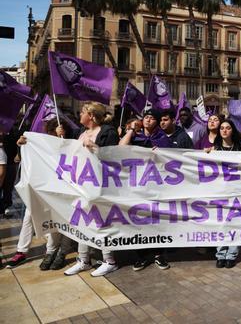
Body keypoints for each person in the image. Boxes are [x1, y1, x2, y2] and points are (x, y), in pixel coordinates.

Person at [64, 102, 121, 277]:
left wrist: (95, 148)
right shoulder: (81, 133)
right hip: (82, 185)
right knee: (82, 221)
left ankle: (109, 260)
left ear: (91, 115)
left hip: (101, 185)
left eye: (82, 112)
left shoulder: (107, 132)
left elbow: (114, 156)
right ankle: (83, 260)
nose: (80, 114)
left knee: (101, 220)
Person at [5, 119, 69, 269]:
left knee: (53, 220)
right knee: (28, 217)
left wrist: (62, 140)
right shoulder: (38, 142)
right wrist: (21, 146)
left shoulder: (64, 141)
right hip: (37, 188)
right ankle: (21, 251)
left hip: (55, 189)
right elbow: (18, 159)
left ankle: (51, 252)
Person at [120, 108, 173, 271]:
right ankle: (141, 256)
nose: (148, 120)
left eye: (151, 118)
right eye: (146, 117)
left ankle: (158, 254)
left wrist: (162, 154)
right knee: (139, 219)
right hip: (136, 184)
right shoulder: (135, 136)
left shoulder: (162, 138)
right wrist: (130, 130)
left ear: (157, 122)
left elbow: (170, 159)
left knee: (157, 220)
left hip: (155, 185)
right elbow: (121, 147)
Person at [214, 120, 241, 269]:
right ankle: (220, 254)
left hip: (236, 191)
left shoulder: (239, 148)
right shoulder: (214, 148)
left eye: (228, 128)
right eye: (222, 128)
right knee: (220, 224)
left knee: (234, 224)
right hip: (219, 192)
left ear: (232, 130)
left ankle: (232, 254)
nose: (224, 130)